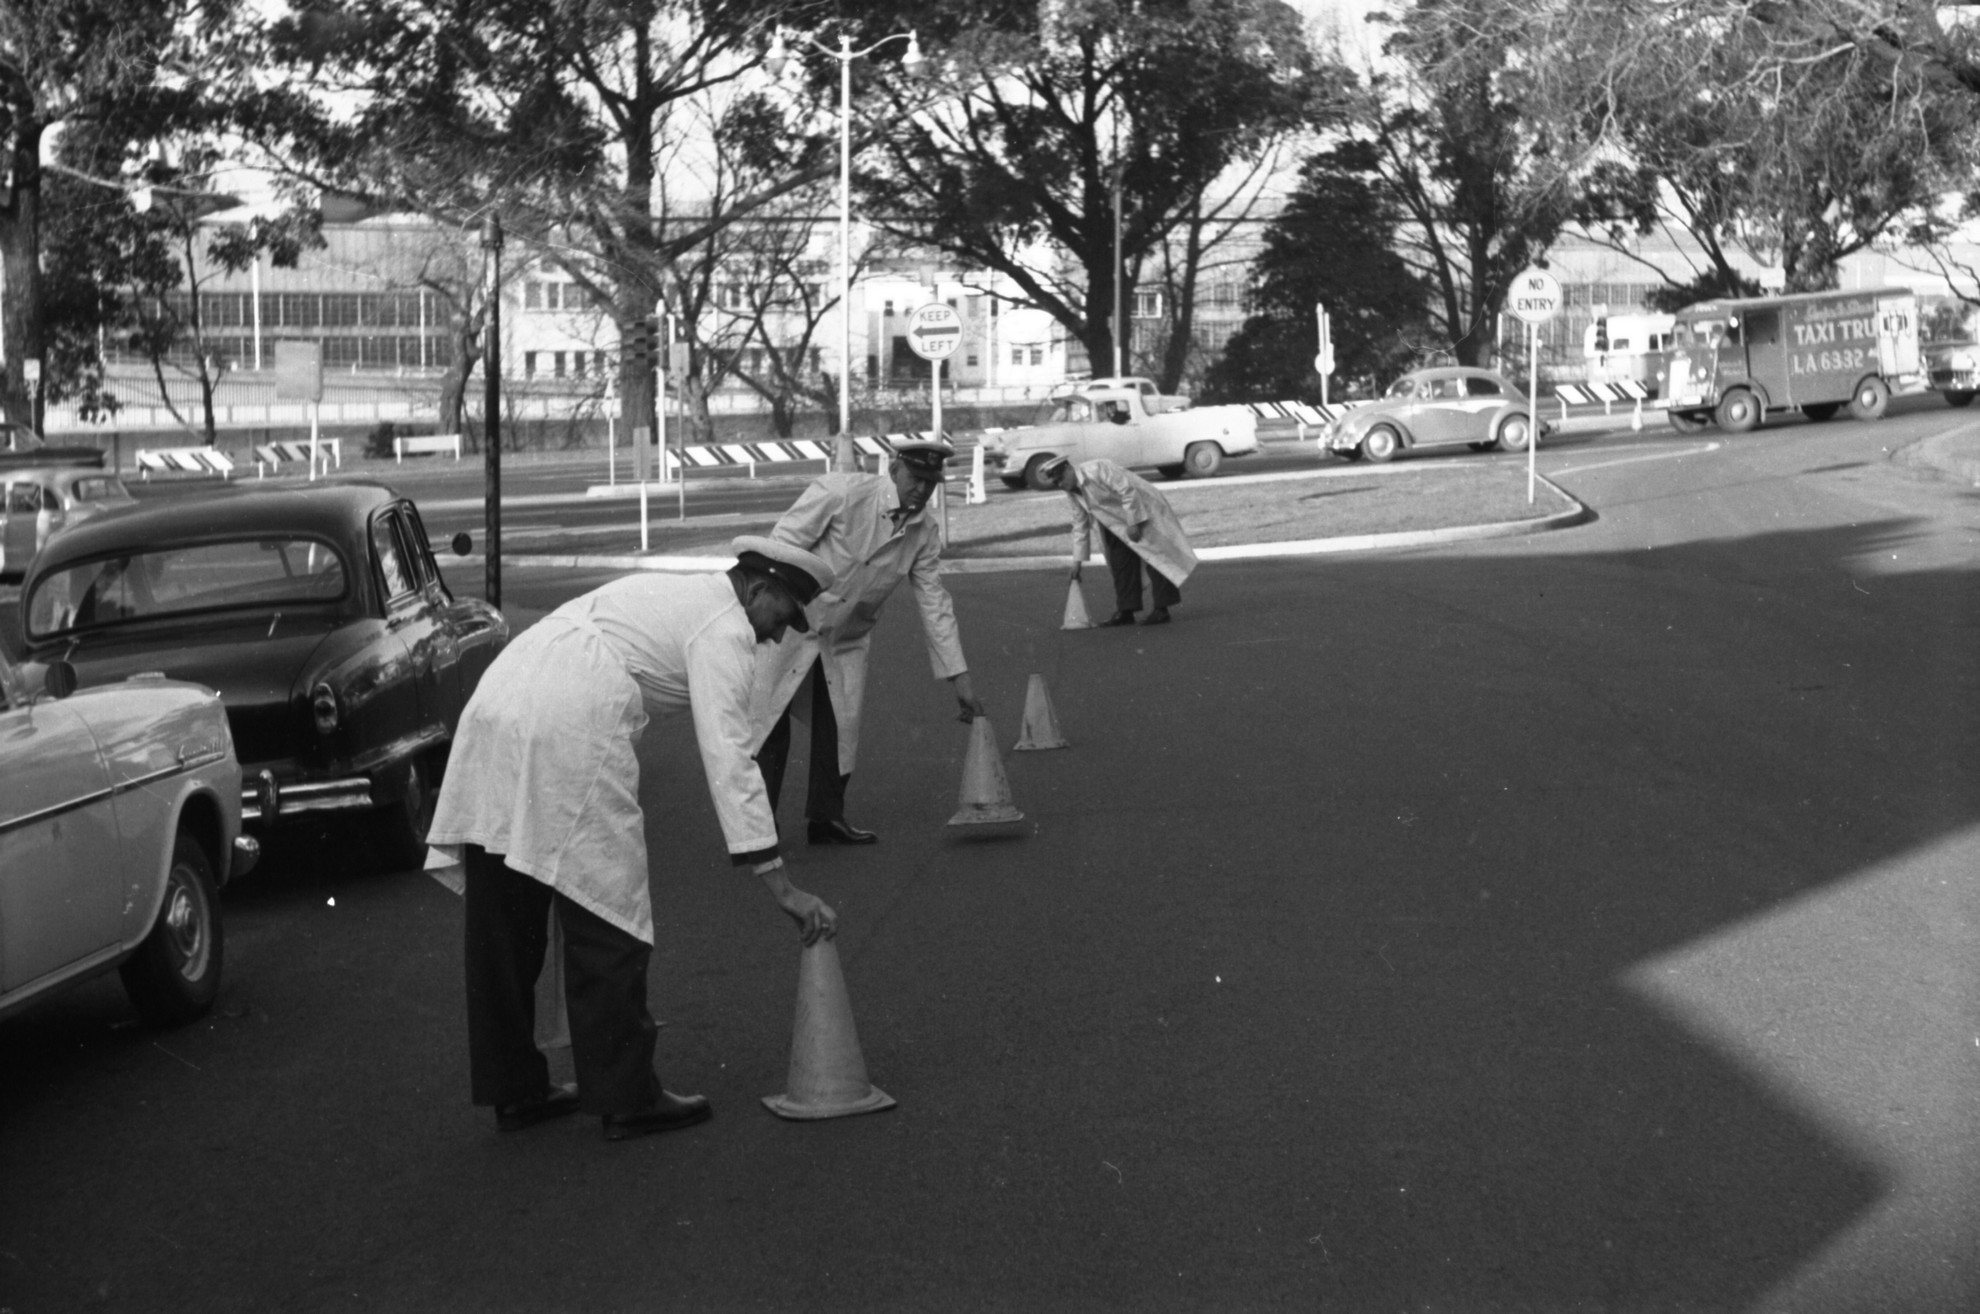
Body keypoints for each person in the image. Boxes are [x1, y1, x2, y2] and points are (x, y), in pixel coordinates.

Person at [424, 537, 839, 1143]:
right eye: (782, 617)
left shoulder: (680, 593)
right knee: (608, 903)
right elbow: (730, 754)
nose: (779, 636)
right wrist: (780, 883)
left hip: (500, 695)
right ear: (758, 588)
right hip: (570, 708)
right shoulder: (725, 628)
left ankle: (514, 1088)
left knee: (503, 913)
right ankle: (626, 1094)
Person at [752, 438, 984, 846]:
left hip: (845, 639)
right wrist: (764, 614)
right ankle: (755, 828)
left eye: (931, 484)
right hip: (790, 628)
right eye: (915, 478)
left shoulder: (925, 533)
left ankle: (826, 818)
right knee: (769, 724)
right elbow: (780, 547)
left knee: (840, 728)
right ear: (894, 468)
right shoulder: (841, 493)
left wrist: (958, 676)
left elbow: (935, 604)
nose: (921, 490)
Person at [1041, 454, 1198, 627]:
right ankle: (1126, 610)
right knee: (1120, 562)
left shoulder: (1098, 469)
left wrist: (1133, 522)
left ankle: (1162, 610)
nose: (1061, 486)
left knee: (1157, 557)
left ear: (1068, 469)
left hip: (1143, 509)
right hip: (1115, 522)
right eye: (1056, 484)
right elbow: (1079, 525)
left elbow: (1127, 490)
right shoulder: (1072, 493)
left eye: (1060, 480)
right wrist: (1077, 562)